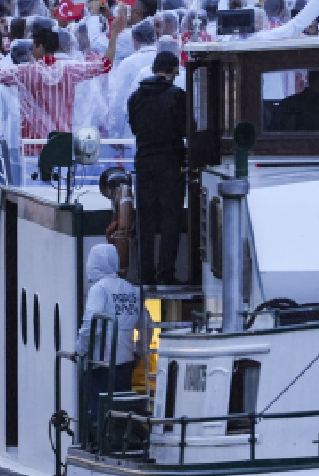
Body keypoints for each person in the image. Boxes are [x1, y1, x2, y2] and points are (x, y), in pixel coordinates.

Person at [0, 11, 127, 161]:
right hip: (76, 139)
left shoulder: (29, 71)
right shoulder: (78, 69)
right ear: (68, 45)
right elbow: (98, 109)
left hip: (35, 143)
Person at [69, 243, 149, 427]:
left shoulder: (99, 289)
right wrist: (139, 351)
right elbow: (146, 325)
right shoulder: (131, 290)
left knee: (99, 410)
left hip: (101, 361)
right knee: (121, 408)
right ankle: (122, 439)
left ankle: (100, 442)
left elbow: (91, 324)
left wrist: (79, 350)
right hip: (126, 360)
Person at [127, 51, 189, 285]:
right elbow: (185, 130)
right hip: (171, 163)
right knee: (170, 219)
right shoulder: (177, 96)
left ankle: (145, 274)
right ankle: (166, 273)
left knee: (146, 220)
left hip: (144, 163)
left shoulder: (135, 98)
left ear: (153, 69)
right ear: (174, 70)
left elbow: (134, 128)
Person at [107, 19, 158, 138]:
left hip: (134, 129)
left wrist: (115, 133)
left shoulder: (127, 63)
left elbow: (118, 99)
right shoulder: (164, 58)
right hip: (164, 125)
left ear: (134, 40)